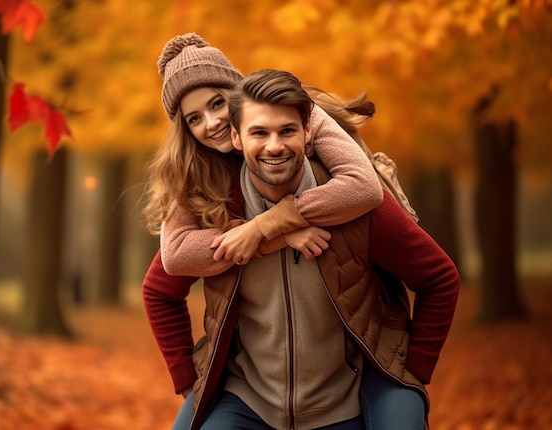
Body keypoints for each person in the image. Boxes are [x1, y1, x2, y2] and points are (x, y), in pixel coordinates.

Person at [148, 69, 460, 430]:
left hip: (355, 387)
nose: (274, 145)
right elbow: (162, 284)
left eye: (286, 131)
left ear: (308, 130)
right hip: (249, 396)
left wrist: (417, 367)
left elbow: (439, 278)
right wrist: (188, 380)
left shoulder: (350, 201)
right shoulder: (215, 209)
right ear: (237, 136)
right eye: (259, 133)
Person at [143, 33, 384, 279]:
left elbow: (364, 187)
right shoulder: (191, 163)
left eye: (217, 104)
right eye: (195, 118)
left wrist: (264, 225)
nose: (212, 123)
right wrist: (274, 238)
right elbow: (175, 255)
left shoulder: (294, 114)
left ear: (235, 95)